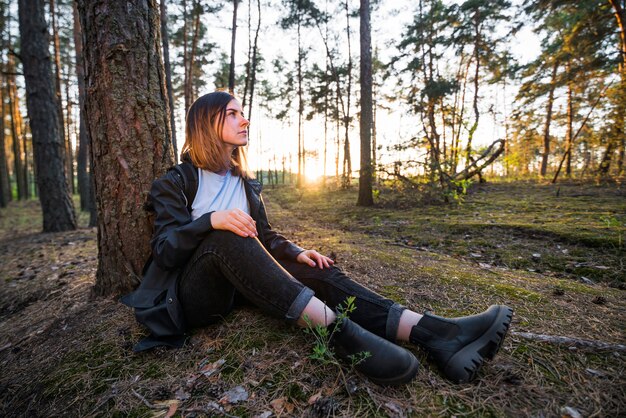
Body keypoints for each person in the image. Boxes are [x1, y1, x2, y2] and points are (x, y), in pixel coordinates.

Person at [122, 91, 513, 386]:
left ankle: (436, 334)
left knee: (319, 270)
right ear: (208, 123)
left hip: (239, 281)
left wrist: (296, 252)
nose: (245, 120)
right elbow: (165, 251)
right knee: (226, 235)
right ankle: (345, 338)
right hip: (193, 298)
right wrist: (212, 220)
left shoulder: (243, 181)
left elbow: (265, 236)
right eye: (234, 114)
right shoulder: (175, 182)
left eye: (243, 113)